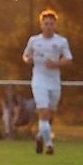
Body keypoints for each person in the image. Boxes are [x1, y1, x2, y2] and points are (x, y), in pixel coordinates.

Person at [22, 9, 73, 155]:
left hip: (54, 81)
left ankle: (40, 136)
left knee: (49, 114)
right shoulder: (34, 40)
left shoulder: (61, 41)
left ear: (55, 25)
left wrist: (56, 63)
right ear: (41, 25)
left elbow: (68, 59)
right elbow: (25, 56)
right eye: (46, 23)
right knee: (43, 112)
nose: (49, 26)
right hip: (39, 80)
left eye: (51, 23)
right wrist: (28, 60)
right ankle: (50, 145)